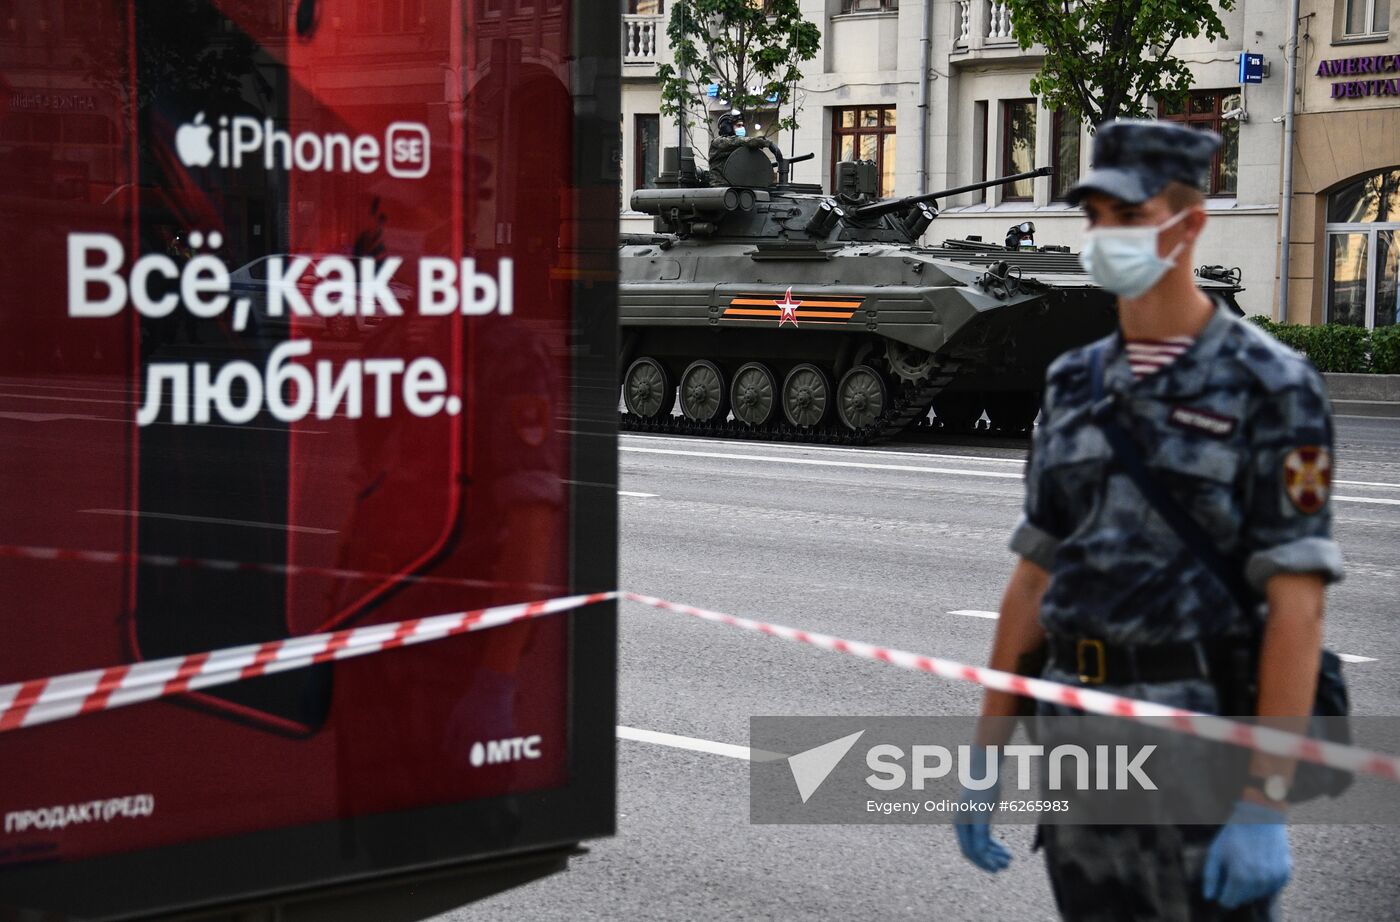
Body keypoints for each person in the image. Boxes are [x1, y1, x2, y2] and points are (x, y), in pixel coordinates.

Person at [954, 120, 1344, 920]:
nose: (1105, 237)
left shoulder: (1271, 383)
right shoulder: (1073, 382)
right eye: (1095, 216)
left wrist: (1266, 802)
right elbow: (1035, 574)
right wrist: (986, 754)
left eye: (1128, 218)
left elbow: (1297, 606)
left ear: (1188, 223)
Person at [707, 112, 767, 186]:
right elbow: (738, 141)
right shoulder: (718, 142)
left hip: (738, 186)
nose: (742, 128)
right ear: (727, 127)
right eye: (738, 125)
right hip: (720, 187)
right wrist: (764, 142)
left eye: (742, 125)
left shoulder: (742, 145)